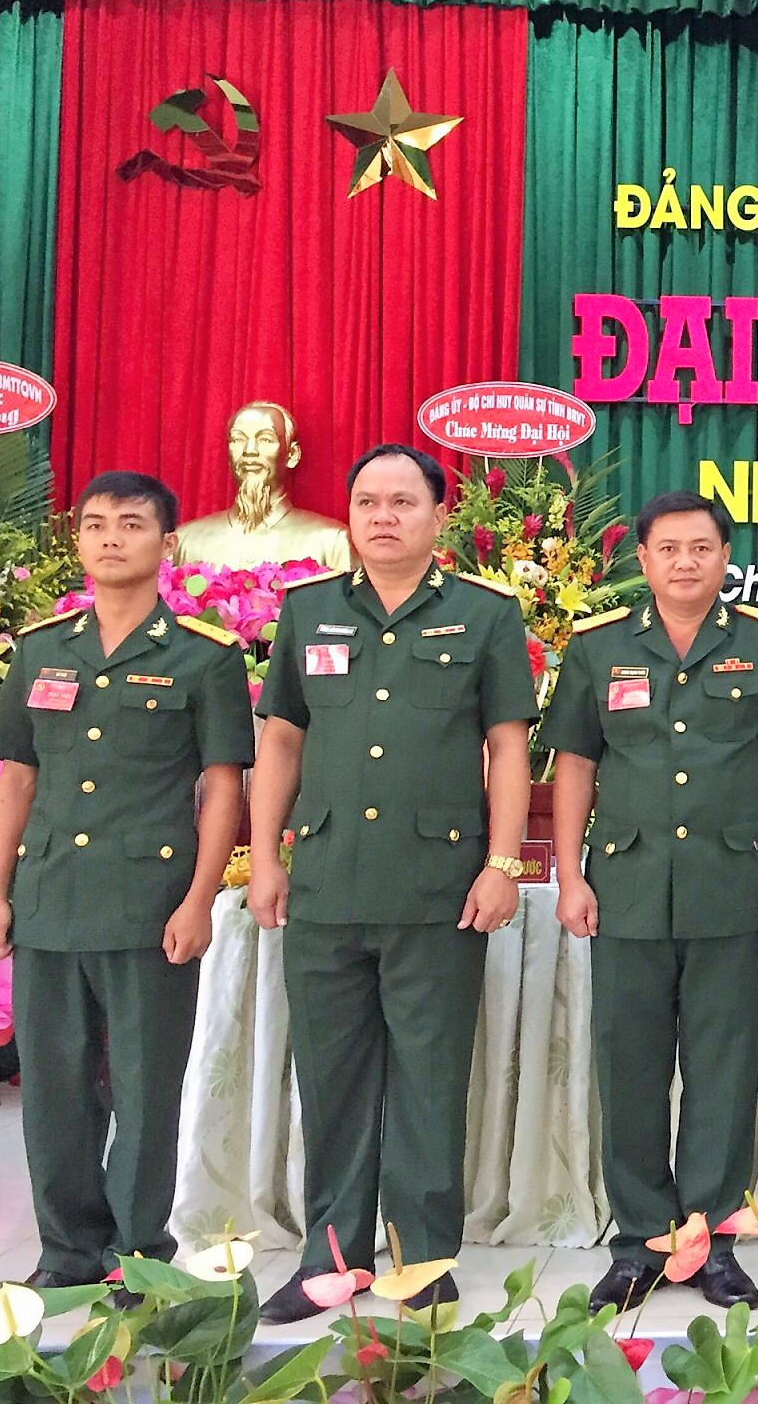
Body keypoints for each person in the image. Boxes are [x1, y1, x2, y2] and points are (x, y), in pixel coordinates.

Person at [249, 443, 538, 1323]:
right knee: (331, 1081)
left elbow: (509, 746)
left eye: (403, 502)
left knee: (429, 1081)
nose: (383, 516)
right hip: (327, 884)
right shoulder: (308, 611)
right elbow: (281, 741)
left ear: (439, 516)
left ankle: (422, 1259)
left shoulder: (485, 615)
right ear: (349, 515)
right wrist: (264, 858)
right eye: (367, 501)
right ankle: (330, 1259)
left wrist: (502, 862)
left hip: (437, 887)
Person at [542, 491, 758, 1313]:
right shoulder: (599, 647)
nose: (686, 562)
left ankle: (711, 1243)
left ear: (725, 557)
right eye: (669, 549)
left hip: (734, 888)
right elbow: (574, 763)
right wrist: (570, 875)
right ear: (644, 558)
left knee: (723, 1073)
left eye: (702, 548)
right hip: (625, 887)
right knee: (629, 1068)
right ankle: (639, 1245)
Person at [0, 471, 253, 1291]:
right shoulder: (41, 650)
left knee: (144, 1091)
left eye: (131, 524)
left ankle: (137, 1257)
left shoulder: (203, 656)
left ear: (168, 543)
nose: (110, 538)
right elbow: (16, 781)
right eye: (95, 524)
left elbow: (222, 789)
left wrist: (200, 899)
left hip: (149, 908)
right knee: (54, 1092)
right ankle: (66, 1254)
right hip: (51, 901)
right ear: (78, 540)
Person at [174, 400, 351, 570]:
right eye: (238, 439)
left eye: (265, 439)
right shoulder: (185, 542)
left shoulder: (332, 543)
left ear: (292, 455)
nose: (249, 451)